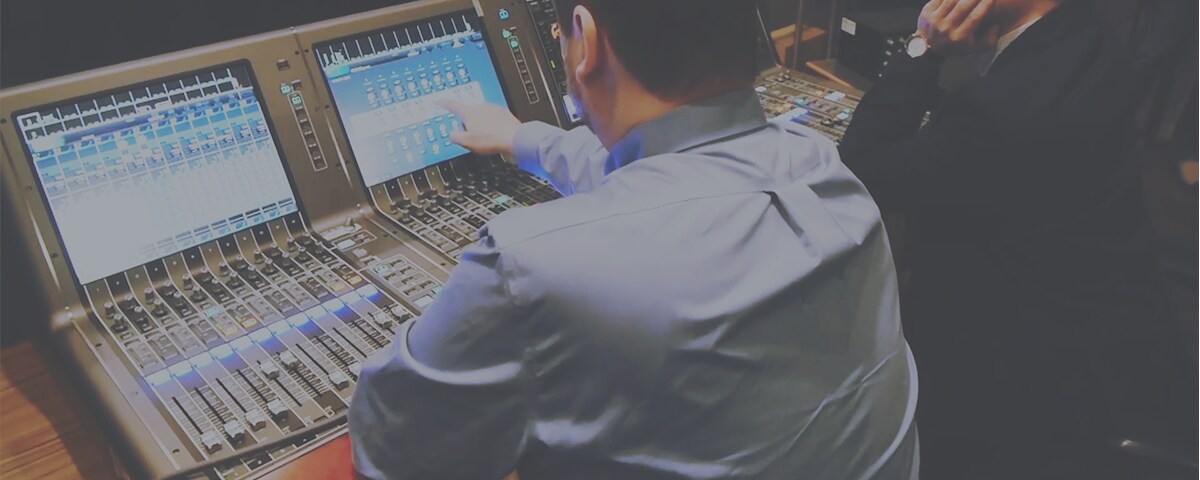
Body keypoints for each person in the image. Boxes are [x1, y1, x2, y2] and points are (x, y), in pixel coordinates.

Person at [348, 1, 918, 478]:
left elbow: (392, 451)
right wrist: (527, 139)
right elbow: (680, 172)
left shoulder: (529, 267)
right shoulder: (824, 167)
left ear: (586, 40)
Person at [839, 0, 1177, 478]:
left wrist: (925, 50)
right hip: (1116, 331)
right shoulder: (1088, 33)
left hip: (1031, 389)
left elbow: (862, 167)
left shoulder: (1002, 113)